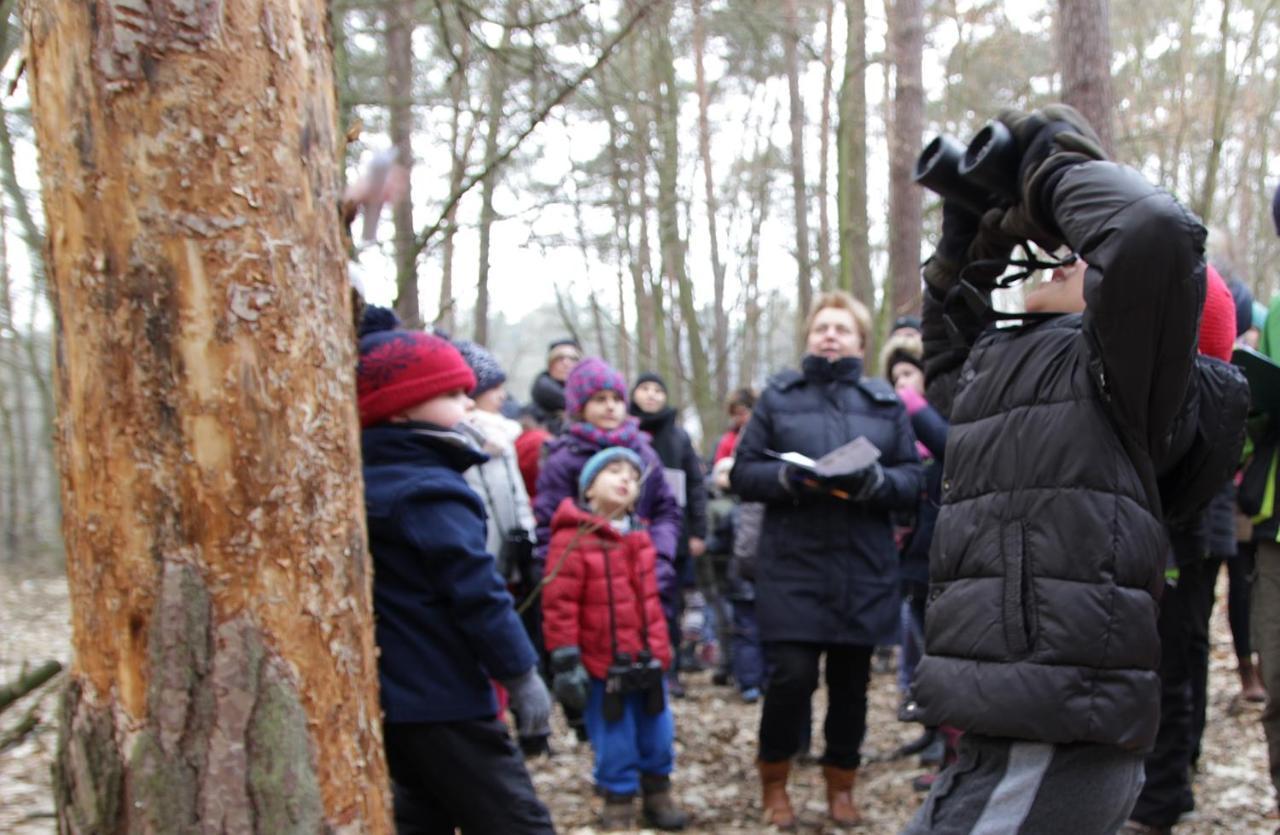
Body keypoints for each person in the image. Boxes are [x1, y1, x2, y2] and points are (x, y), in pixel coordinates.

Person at [906, 105, 1238, 834]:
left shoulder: (1119, 379)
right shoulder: (1011, 368)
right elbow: (945, 366)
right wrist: (968, 232)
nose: (1060, 252)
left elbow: (1151, 232)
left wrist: (1053, 171)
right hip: (997, 727)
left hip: (1056, 735)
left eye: (1080, 252)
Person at [731, 289, 924, 828]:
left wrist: (878, 481)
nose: (830, 336)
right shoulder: (778, 397)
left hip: (862, 567)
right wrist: (789, 477)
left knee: (850, 684)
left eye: (842, 328)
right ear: (809, 337)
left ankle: (842, 784)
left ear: (861, 341)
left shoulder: (885, 404)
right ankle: (775, 781)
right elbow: (743, 472)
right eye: (822, 328)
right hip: (792, 563)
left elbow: (914, 480)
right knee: (791, 678)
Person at [356, 322, 554, 833]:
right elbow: (478, 592)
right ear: (398, 408)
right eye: (449, 393)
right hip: (441, 695)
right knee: (517, 822)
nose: (468, 404)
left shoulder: (381, 477)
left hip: (398, 697)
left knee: (424, 817)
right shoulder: (426, 490)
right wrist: (520, 673)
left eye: (467, 392)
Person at [1124, 265, 1246, 834]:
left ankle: (1165, 794)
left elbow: (1217, 328)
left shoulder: (1194, 285)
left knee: (1177, 656)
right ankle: (1159, 782)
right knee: (1163, 658)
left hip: (1192, 527)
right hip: (1161, 521)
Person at [533, 357, 683, 740]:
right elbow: (549, 525)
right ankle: (612, 765)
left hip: (645, 580)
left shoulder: (644, 453)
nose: (611, 407)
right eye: (599, 399)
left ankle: (653, 766)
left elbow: (667, 509)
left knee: (651, 678)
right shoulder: (564, 457)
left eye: (616, 397)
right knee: (602, 685)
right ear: (580, 406)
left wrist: (660, 557)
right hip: (591, 590)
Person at [541, 447, 688, 831]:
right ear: (588, 489)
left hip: (647, 660)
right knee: (614, 737)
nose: (625, 479)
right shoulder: (572, 538)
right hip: (603, 665)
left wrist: (662, 649)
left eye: (632, 475)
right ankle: (618, 798)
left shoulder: (640, 536)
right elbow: (560, 603)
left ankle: (658, 791)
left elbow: (651, 602)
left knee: (658, 730)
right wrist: (565, 658)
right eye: (613, 472)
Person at [879, 331, 954, 789]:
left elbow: (951, 447)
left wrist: (913, 407)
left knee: (942, 648)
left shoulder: (939, 415)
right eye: (895, 377)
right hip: (911, 555)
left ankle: (950, 744)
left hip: (942, 553)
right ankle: (932, 732)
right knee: (920, 650)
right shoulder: (901, 426)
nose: (901, 384)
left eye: (909, 373)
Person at [630, 372, 708, 696]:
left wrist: (698, 532)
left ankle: (670, 669)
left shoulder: (679, 438)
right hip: (631, 534)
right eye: (644, 389)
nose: (650, 395)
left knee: (671, 605)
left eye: (657, 389)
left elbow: (695, 485)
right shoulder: (626, 433)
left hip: (673, 537)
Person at [529, 338, 583, 435]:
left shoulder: (592, 400)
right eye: (560, 358)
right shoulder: (532, 411)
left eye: (573, 358)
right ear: (550, 364)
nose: (566, 363)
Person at [713, 387, 756, 464]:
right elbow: (718, 466)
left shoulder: (765, 437)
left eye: (741, 413)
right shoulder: (727, 441)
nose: (738, 418)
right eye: (734, 414)